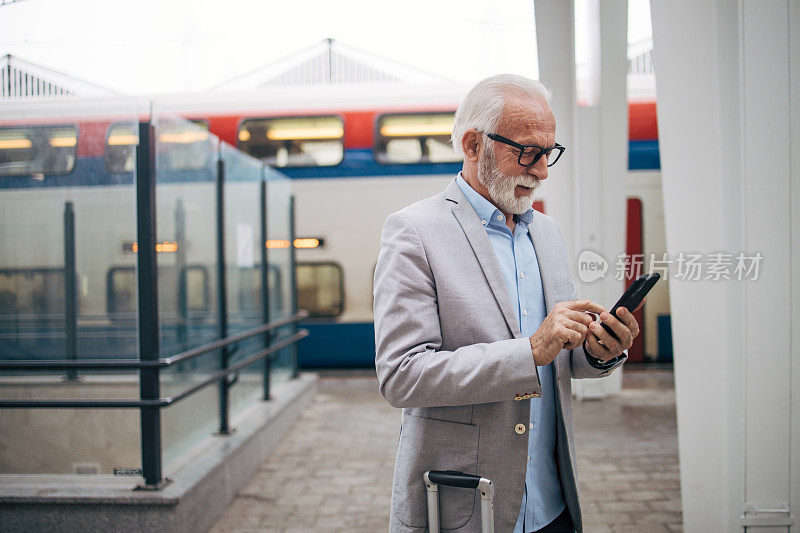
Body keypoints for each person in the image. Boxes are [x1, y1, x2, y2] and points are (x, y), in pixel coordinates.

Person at [373, 74, 640, 533]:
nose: (542, 171)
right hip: (466, 508)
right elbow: (401, 376)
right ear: (474, 145)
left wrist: (597, 351)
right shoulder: (413, 232)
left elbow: (561, 359)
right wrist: (528, 351)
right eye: (528, 152)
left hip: (553, 504)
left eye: (549, 153)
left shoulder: (547, 232)